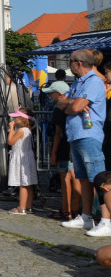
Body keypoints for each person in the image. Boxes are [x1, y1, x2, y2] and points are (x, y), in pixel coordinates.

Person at [50, 49, 109, 236]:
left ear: (79, 63)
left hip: (89, 134)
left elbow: (73, 105)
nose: (69, 63)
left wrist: (71, 103)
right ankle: (86, 216)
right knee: (83, 178)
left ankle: (106, 221)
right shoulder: (78, 82)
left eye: (71, 60)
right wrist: (71, 104)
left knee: (98, 179)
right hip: (75, 134)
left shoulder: (93, 82)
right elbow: (62, 104)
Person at [6, 111, 37, 214]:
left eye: (16, 118)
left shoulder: (20, 131)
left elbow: (10, 141)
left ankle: (21, 207)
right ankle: (28, 206)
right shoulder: (28, 130)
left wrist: (11, 129)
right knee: (29, 183)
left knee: (23, 184)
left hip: (21, 158)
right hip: (27, 157)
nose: (14, 120)